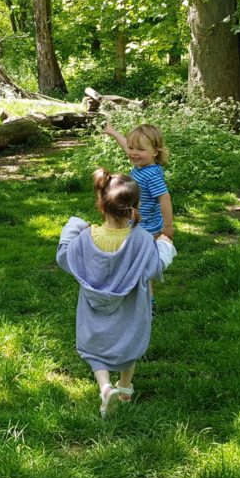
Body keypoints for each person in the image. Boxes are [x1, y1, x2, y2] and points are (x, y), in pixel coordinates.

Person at [56, 168, 177, 418]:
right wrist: (165, 246)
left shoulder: (86, 239)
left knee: (93, 347)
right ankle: (124, 388)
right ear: (134, 206)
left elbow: (65, 258)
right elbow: (154, 267)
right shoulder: (142, 240)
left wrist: (72, 227)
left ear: (101, 204)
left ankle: (105, 387)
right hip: (131, 307)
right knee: (129, 340)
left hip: (93, 308)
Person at [102, 122, 174, 240]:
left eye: (140, 149)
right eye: (131, 148)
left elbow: (164, 198)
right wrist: (113, 132)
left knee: (144, 256)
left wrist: (168, 226)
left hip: (148, 227)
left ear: (155, 152)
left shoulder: (151, 175)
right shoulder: (143, 165)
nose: (133, 153)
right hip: (137, 222)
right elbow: (127, 145)